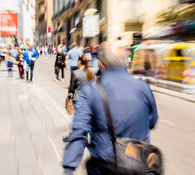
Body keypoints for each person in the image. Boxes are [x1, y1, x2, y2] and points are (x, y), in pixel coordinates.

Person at [62, 42, 158, 175]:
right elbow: (152, 122)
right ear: (126, 62)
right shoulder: (143, 88)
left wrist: (69, 167)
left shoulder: (91, 91)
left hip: (104, 166)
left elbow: (79, 132)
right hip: (139, 165)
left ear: (101, 65)